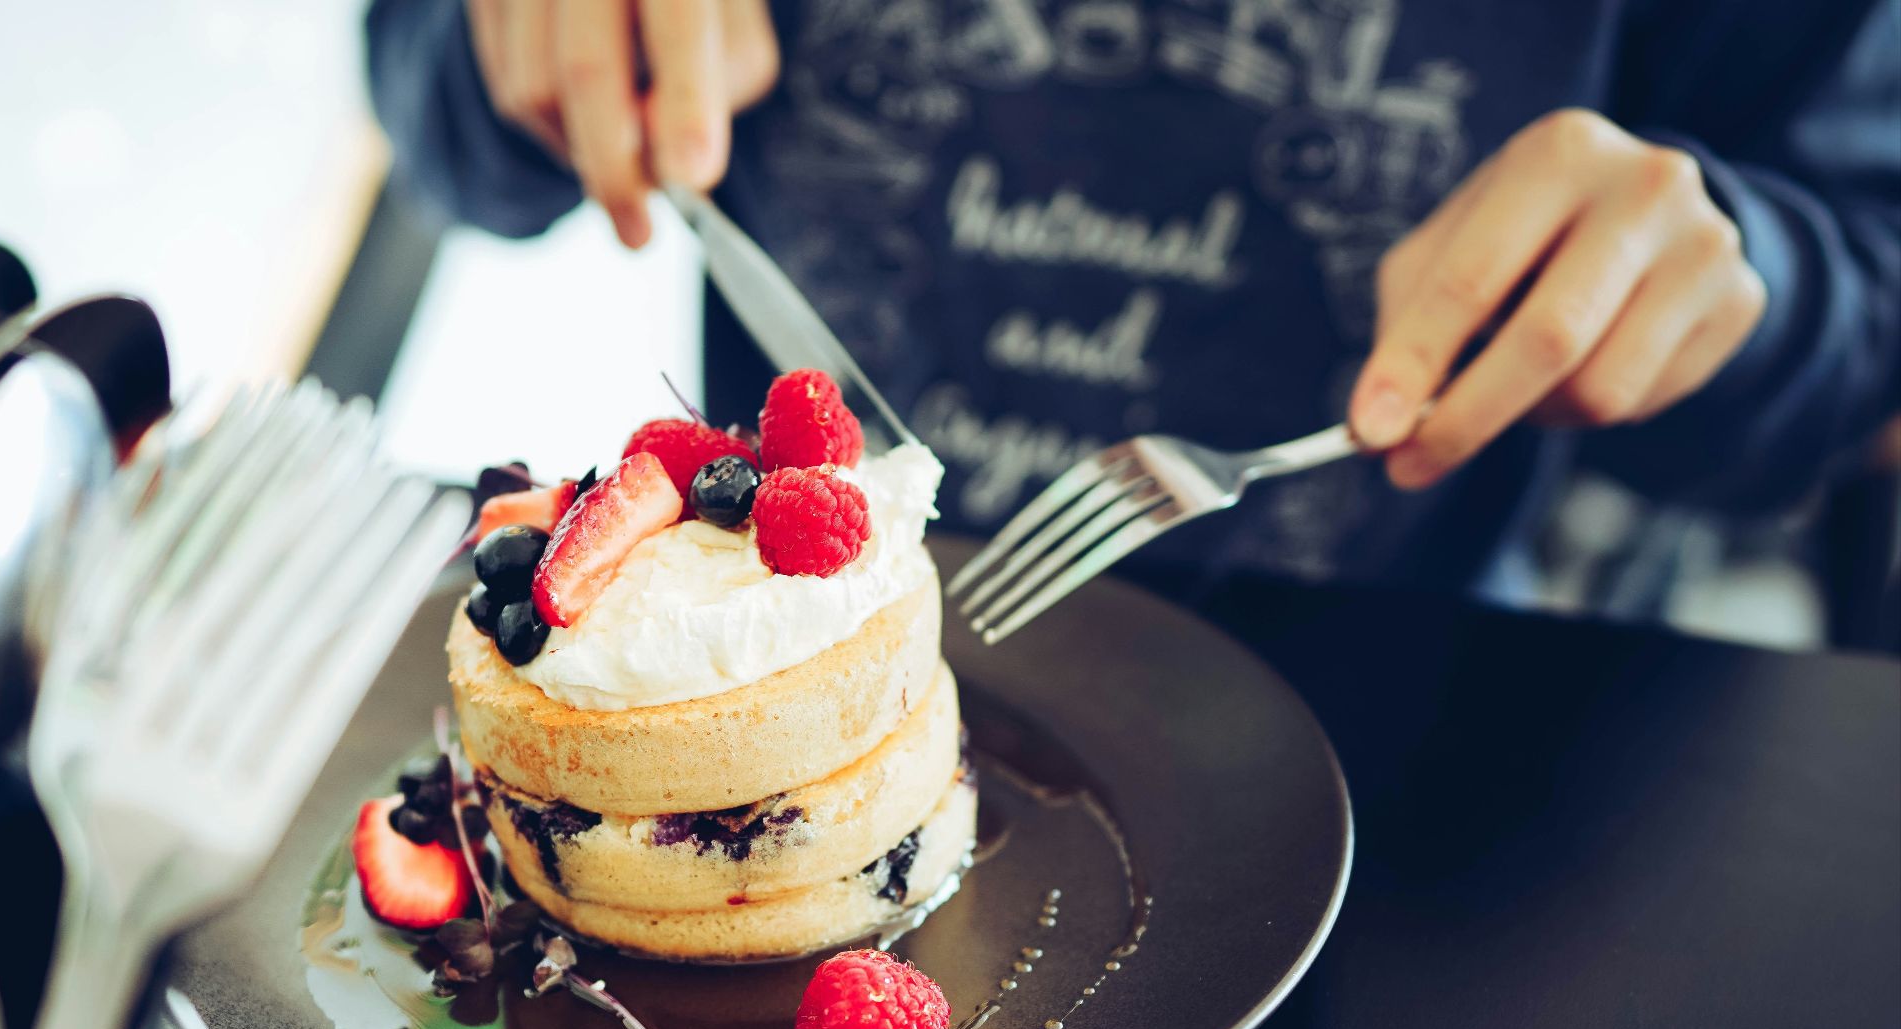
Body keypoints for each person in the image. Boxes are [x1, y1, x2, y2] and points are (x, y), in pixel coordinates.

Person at [365, 0, 1898, 599]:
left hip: (1394, 744)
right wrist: (508, 44)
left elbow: (1865, 322)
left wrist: (1737, 288)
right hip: (799, 627)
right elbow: (443, 121)